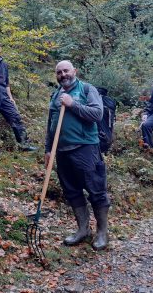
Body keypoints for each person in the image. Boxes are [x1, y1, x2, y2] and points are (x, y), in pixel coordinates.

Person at [45, 60, 110, 251]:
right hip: (62, 151)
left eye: (66, 71)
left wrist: (72, 104)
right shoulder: (56, 94)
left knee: (96, 190)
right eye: (59, 72)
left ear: (75, 71)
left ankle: (102, 232)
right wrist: (48, 149)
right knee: (72, 192)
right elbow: (51, 123)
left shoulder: (87, 89)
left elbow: (97, 114)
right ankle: (83, 230)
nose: (63, 75)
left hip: (86, 148)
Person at [0, 41, 37, 156]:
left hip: (3, 93)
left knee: (15, 116)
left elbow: (7, 83)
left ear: (0, 48)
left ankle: (23, 144)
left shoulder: (4, 65)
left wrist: (11, 98)